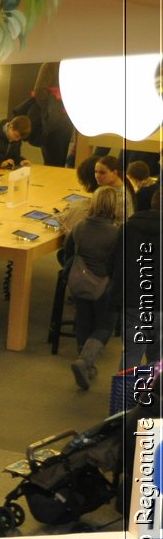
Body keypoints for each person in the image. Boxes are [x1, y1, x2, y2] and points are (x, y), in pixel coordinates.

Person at [66, 186, 126, 391]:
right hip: (104, 286)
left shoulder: (80, 226)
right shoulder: (117, 232)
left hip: (79, 282)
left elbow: (68, 253)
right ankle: (85, 361)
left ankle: (85, 364)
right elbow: (120, 263)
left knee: (83, 320)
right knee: (105, 325)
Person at [121, 202, 161, 371]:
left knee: (132, 353)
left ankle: (125, 396)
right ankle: (153, 394)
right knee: (157, 358)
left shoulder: (128, 228)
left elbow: (116, 263)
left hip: (134, 301)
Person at [94, 154, 137, 219]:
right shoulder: (116, 186)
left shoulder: (120, 197)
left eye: (102, 173)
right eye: (96, 172)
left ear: (114, 173)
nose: (97, 176)